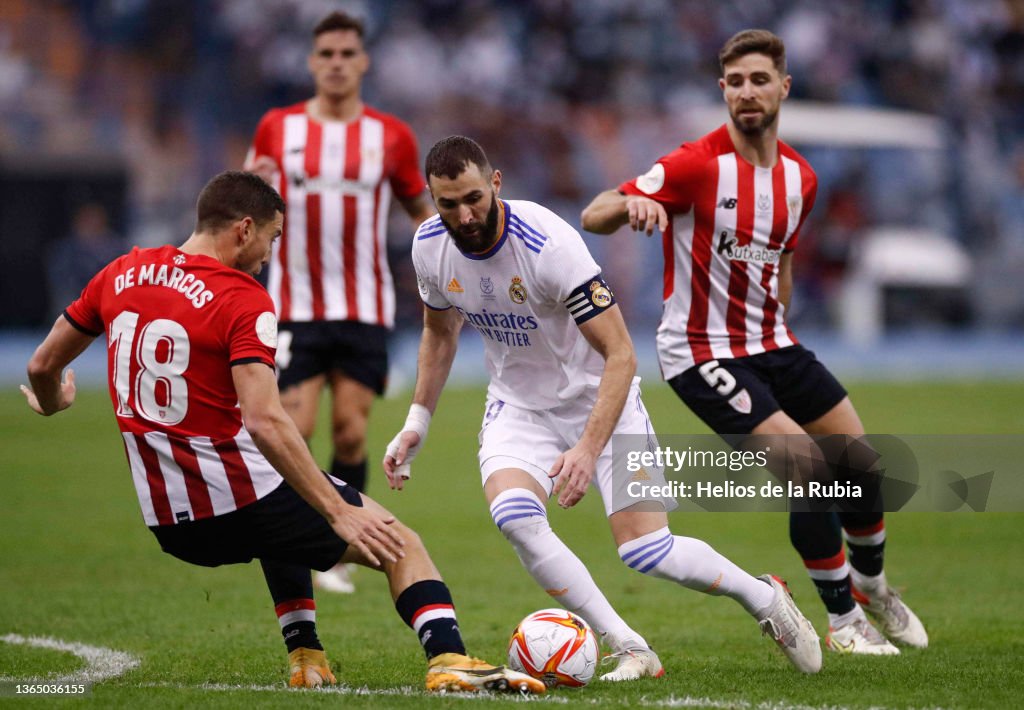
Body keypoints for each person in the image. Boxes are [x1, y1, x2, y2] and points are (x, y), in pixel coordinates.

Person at [20, 170, 544, 695]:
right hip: (237, 496)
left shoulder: (120, 273)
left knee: (284, 508)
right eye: (271, 239)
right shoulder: (240, 297)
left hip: (169, 520)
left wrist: (52, 402)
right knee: (400, 543)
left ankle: (306, 657)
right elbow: (265, 419)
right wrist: (340, 511)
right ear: (244, 229)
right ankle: (449, 658)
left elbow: (43, 365)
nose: (269, 256)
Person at [383, 135, 822, 680]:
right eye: (448, 204)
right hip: (519, 408)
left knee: (647, 552)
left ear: (496, 183)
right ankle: (630, 645)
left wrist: (588, 449)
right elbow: (439, 331)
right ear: (432, 197)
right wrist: (416, 422)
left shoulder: (548, 244)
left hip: (604, 403)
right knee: (515, 518)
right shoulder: (429, 244)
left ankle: (763, 595)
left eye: (473, 197)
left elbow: (620, 354)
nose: (465, 215)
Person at [581, 29, 928, 655]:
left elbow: (783, 265)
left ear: (783, 87)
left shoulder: (801, 179)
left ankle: (873, 585)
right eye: (735, 82)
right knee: (808, 469)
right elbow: (595, 211)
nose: (747, 91)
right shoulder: (694, 164)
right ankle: (843, 620)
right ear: (723, 90)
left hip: (773, 342)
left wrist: (777, 328)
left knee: (860, 465)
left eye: (759, 79)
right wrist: (632, 207)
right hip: (701, 350)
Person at [244, 11, 435, 594]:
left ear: (363, 61)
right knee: (293, 430)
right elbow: (248, 198)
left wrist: (449, 264)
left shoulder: (391, 137)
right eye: (325, 53)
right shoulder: (279, 127)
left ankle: (344, 551)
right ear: (310, 61)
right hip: (294, 306)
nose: (335, 63)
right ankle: (312, 537)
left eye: (346, 53)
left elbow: (420, 213)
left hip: (365, 308)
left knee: (351, 433)